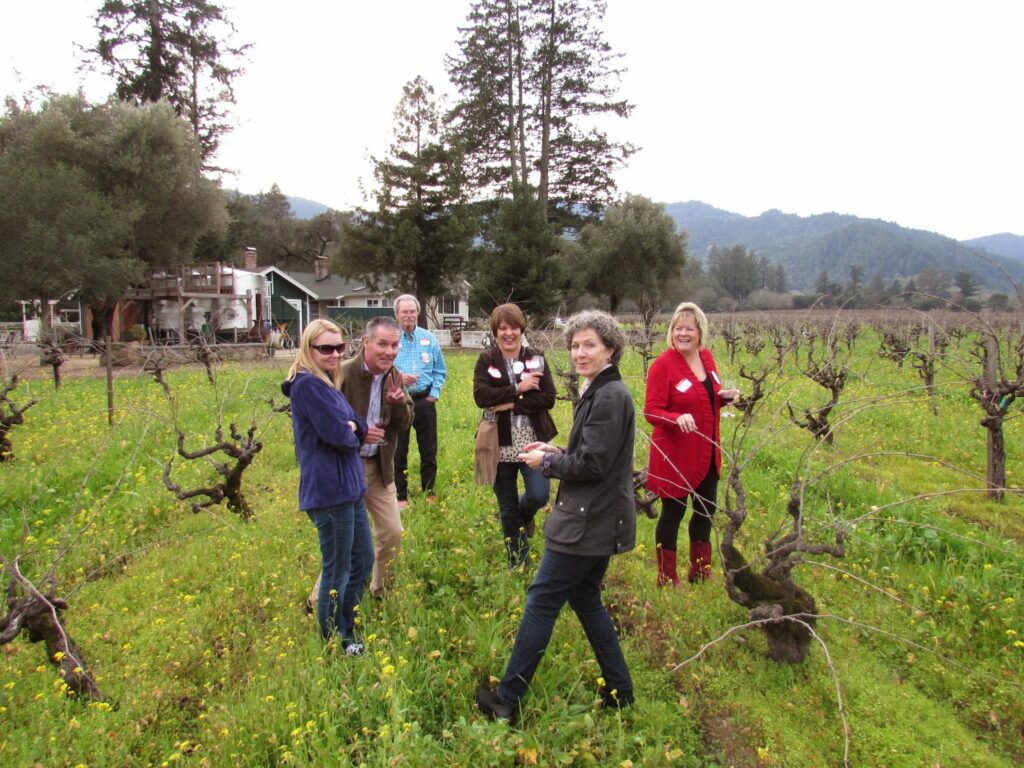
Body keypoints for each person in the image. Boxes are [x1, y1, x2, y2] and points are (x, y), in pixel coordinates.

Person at [476, 310, 636, 724]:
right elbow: (590, 457)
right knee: (585, 599)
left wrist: (547, 463)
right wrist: (558, 453)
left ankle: (507, 701)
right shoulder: (599, 390)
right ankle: (621, 691)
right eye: (575, 345)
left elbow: (594, 466)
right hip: (598, 516)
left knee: (542, 600)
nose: (579, 353)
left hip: (587, 520)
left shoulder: (609, 396)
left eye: (589, 345)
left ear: (611, 349)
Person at [306, 316, 414, 606]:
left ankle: (380, 592)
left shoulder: (395, 376)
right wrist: (360, 435)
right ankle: (319, 600)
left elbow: (405, 423)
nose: (389, 352)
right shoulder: (340, 374)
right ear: (366, 342)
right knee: (345, 543)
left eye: (394, 345)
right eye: (382, 344)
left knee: (392, 533)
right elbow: (327, 425)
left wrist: (397, 403)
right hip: (347, 469)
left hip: (380, 468)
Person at [281, 319, 373, 654]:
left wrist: (352, 428)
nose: (335, 354)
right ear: (309, 349)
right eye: (326, 349)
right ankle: (337, 639)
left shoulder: (328, 383)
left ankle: (347, 621)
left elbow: (358, 426)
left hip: (350, 486)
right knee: (338, 568)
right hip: (329, 490)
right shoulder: (308, 386)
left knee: (364, 558)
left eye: (339, 347)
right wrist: (351, 429)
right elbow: (341, 436)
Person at [644, 301, 739, 586]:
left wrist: (724, 397)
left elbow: (707, 398)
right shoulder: (662, 366)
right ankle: (666, 577)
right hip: (675, 454)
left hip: (707, 452)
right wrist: (675, 418)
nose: (682, 333)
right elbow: (651, 411)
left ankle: (700, 573)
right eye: (677, 328)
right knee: (673, 514)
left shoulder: (707, 359)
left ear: (700, 333)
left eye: (689, 328)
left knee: (705, 512)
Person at [473, 303, 557, 568]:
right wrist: (518, 388)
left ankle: (525, 516)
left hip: (533, 441)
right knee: (506, 505)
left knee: (539, 495)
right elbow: (481, 397)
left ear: (522, 329)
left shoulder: (537, 357)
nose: (508, 333)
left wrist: (509, 403)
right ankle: (517, 560)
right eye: (503, 328)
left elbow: (548, 398)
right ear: (495, 331)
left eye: (514, 327)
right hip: (500, 444)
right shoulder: (487, 360)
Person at [393, 294, 447, 507]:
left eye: (412, 311)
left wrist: (434, 394)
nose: (409, 315)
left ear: (417, 313)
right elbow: (379, 370)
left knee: (429, 449)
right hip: (398, 402)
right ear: (397, 315)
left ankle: (429, 491)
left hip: (425, 401)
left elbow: (440, 370)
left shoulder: (428, 338)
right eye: (404, 312)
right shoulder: (391, 339)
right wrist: (399, 379)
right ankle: (401, 496)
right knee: (399, 451)